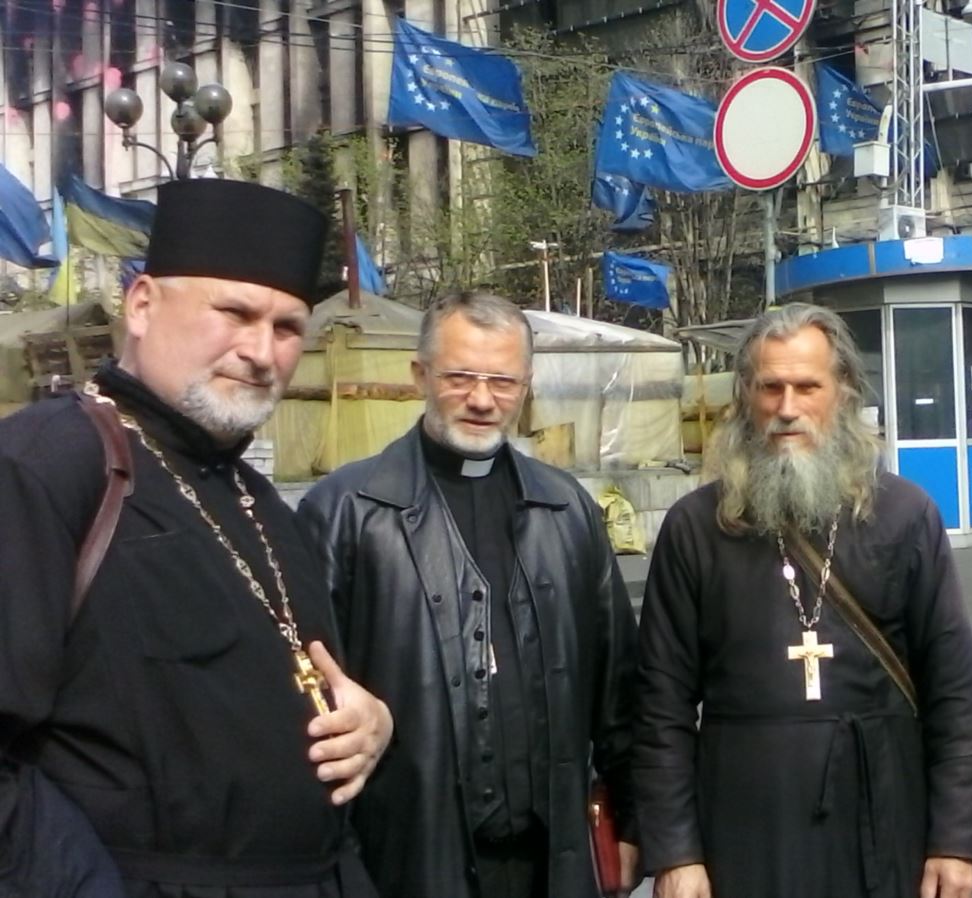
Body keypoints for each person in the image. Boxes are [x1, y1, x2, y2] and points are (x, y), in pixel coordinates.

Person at [0, 177, 393, 896]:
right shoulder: (47, 465)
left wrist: (372, 721)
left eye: (286, 328)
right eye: (234, 313)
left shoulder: (260, 501)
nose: (260, 351)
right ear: (143, 304)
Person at [635, 304, 972, 898]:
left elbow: (954, 691)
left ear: (843, 392)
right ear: (746, 395)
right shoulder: (695, 528)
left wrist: (956, 840)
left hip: (880, 815)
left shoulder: (905, 516)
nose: (787, 408)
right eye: (770, 388)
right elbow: (661, 707)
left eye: (807, 387)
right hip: (742, 826)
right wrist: (676, 852)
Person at [297, 291, 639, 898]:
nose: (482, 400)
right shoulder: (346, 512)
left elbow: (619, 691)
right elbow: (306, 704)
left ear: (526, 385)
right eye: (460, 378)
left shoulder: (568, 511)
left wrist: (637, 823)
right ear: (419, 374)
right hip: (409, 861)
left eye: (503, 382)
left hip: (550, 864)